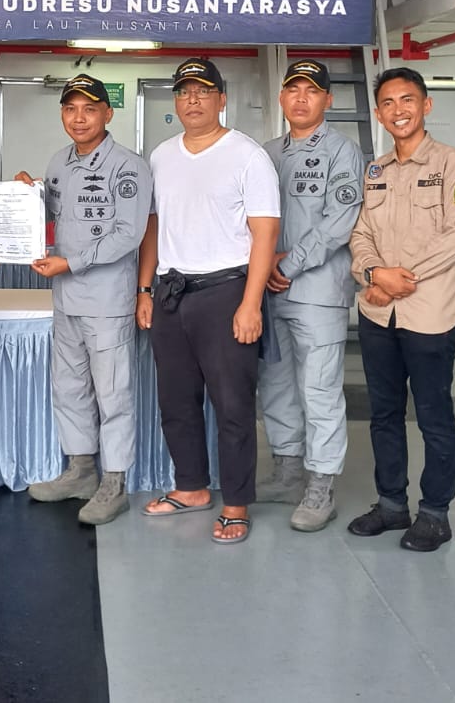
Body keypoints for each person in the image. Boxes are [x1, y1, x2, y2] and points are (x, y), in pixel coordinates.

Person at [136, 57, 280, 545]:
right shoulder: (161, 156)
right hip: (171, 294)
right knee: (176, 401)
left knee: (233, 404)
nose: (192, 99)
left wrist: (251, 303)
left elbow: (265, 233)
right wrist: (145, 288)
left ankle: (236, 504)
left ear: (222, 99)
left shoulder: (247, 156)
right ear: (175, 101)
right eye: (184, 92)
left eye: (203, 91)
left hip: (225, 294)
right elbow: (154, 227)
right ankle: (192, 487)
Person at [348, 67, 455, 552]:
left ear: (426, 106)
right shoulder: (375, 171)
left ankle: (435, 514)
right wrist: (373, 275)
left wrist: (399, 280)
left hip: (429, 315)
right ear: (379, 113)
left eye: (407, 100)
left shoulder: (452, 164)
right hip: (378, 314)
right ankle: (391, 505)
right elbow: (359, 235)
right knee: (383, 415)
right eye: (387, 103)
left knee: (433, 417)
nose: (397, 110)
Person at [19, 74, 152, 526]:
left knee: (113, 394)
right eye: (70, 108)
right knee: (70, 388)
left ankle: (113, 483)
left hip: (107, 301)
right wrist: (26, 196)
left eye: (89, 109)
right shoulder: (58, 163)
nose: (79, 118)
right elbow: (51, 218)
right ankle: (80, 470)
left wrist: (69, 263)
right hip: (66, 300)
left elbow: (128, 236)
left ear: (107, 114)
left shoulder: (128, 167)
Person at [257, 60, 364, 532]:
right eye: (292, 89)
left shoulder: (343, 152)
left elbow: (339, 223)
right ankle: (287, 469)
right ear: (281, 98)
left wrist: (288, 262)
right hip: (267, 291)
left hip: (317, 291)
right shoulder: (263, 154)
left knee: (318, 389)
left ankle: (321, 484)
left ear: (327, 100)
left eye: (311, 90)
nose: (301, 98)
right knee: (275, 383)